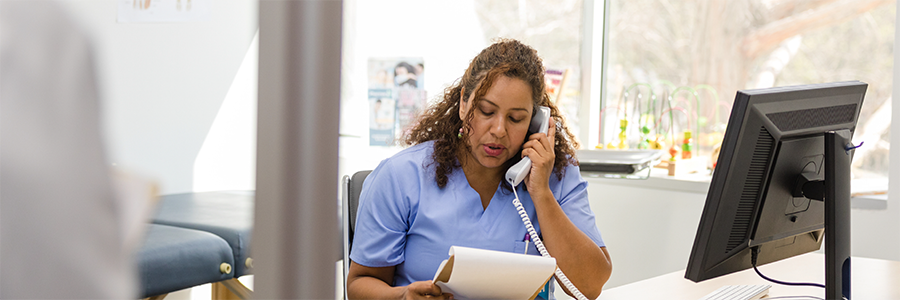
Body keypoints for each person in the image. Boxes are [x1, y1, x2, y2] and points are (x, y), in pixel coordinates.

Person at [348, 39, 612, 300]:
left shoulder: (555, 174)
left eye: (516, 118)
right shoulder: (401, 176)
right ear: (464, 103)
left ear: (536, 121)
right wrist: (402, 296)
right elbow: (361, 283)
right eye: (486, 111)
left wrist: (541, 193)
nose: (499, 130)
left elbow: (589, 286)